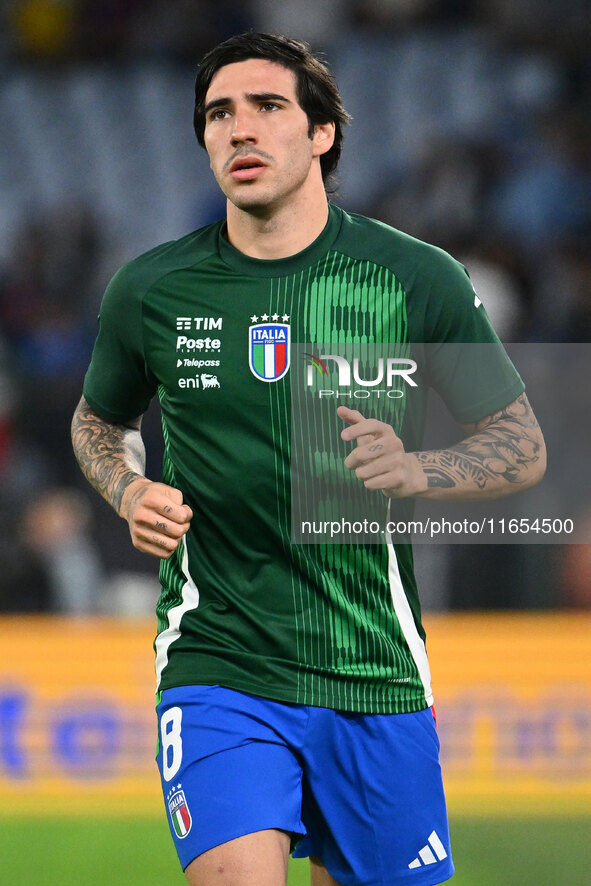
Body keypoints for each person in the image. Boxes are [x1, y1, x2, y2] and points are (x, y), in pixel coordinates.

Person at [71, 32, 546, 886]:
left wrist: (420, 471)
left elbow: (520, 446)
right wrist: (127, 486)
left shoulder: (412, 277)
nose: (238, 130)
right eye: (218, 114)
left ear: (321, 134)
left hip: (373, 668)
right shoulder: (151, 288)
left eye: (266, 107)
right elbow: (96, 423)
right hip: (219, 661)